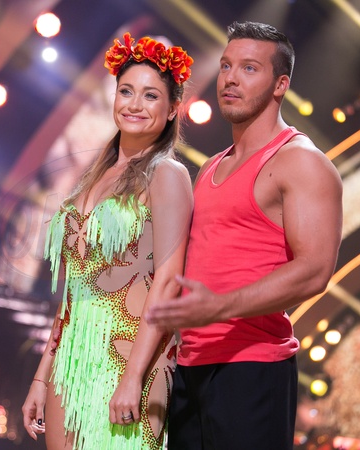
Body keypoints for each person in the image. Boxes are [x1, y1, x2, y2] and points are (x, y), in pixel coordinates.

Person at [145, 21, 343, 449]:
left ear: (280, 85)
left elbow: (315, 270)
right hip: (191, 367)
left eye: (249, 68)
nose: (230, 78)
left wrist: (219, 306)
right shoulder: (211, 166)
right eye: (225, 66)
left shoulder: (300, 162)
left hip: (252, 367)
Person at [21, 33, 194, 449]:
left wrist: (133, 376)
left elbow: (168, 282)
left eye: (151, 95)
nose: (134, 104)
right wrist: (42, 376)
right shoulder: (91, 177)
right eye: (126, 91)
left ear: (173, 108)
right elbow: (73, 291)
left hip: (132, 357)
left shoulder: (167, 175)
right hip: (71, 360)